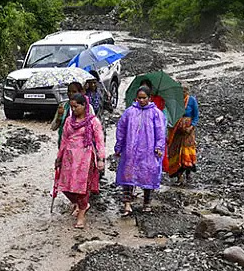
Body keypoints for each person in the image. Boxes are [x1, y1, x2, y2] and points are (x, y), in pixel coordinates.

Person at [54, 94, 105, 228]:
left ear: (84, 106)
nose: (74, 109)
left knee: (82, 188)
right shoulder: (69, 121)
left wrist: (101, 159)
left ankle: (81, 214)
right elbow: (64, 140)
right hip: (69, 157)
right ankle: (81, 204)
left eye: (76, 106)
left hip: (85, 157)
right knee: (65, 186)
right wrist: (59, 158)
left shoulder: (93, 122)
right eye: (72, 107)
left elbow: (100, 141)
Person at [114, 86, 165, 216]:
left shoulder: (156, 113)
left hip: (148, 151)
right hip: (130, 150)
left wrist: (159, 147)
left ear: (149, 98)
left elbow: (160, 131)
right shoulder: (129, 112)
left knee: (148, 175)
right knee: (127, 176)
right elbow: (121, 129)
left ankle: (146, 203)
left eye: (144, 98)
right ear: (136, 98)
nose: (141, 100)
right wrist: (119, 146)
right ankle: (127, 204)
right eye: (139, 98)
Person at [163, 86, 199, 186]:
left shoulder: (191, 100)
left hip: (188, 132)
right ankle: (179, 176)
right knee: (176, 152)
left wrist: (191, 127)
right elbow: (169, 115)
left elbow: (196, 116)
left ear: (188, 91)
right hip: (176, 131)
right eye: (181, 90)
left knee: (187, 151)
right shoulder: (174, 101)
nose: (183, 92)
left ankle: (188, 173)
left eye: (185, 90)